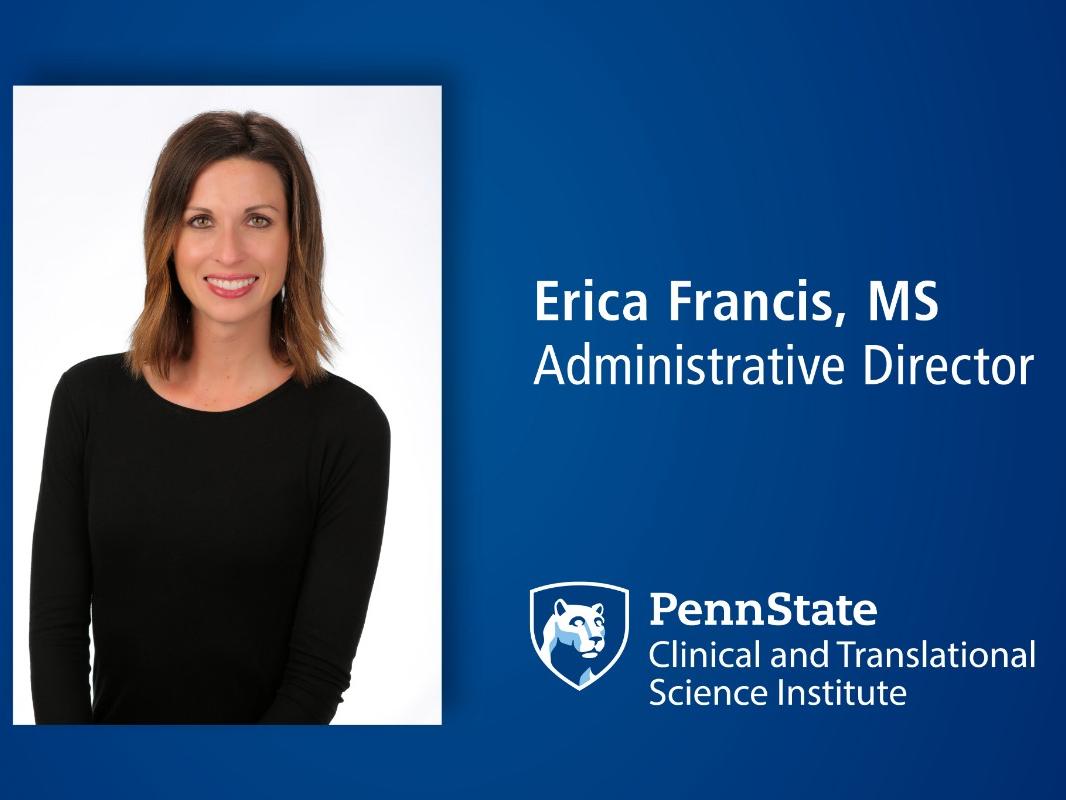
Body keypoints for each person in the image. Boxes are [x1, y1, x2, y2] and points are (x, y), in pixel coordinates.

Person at [28, 110, 391, 724]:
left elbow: (318, 673)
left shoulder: (348, 428)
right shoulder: (87, 400)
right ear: (167, 237)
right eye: (201, 220)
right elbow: (56, 633)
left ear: (295, 240)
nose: (229, 251)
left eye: (258, 220)